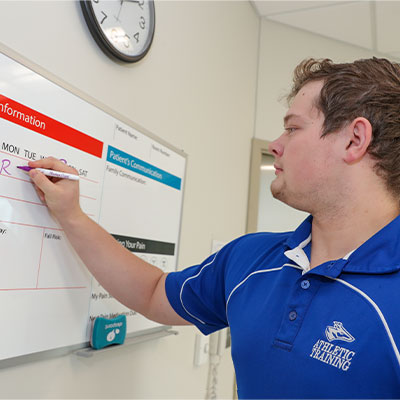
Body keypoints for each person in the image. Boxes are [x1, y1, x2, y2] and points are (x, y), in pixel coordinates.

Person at [29, 57, 400, 399]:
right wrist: (72, 215)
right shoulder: (252, 259)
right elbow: (153, 293)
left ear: (354, 140)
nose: (276, 144)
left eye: (292, 128)